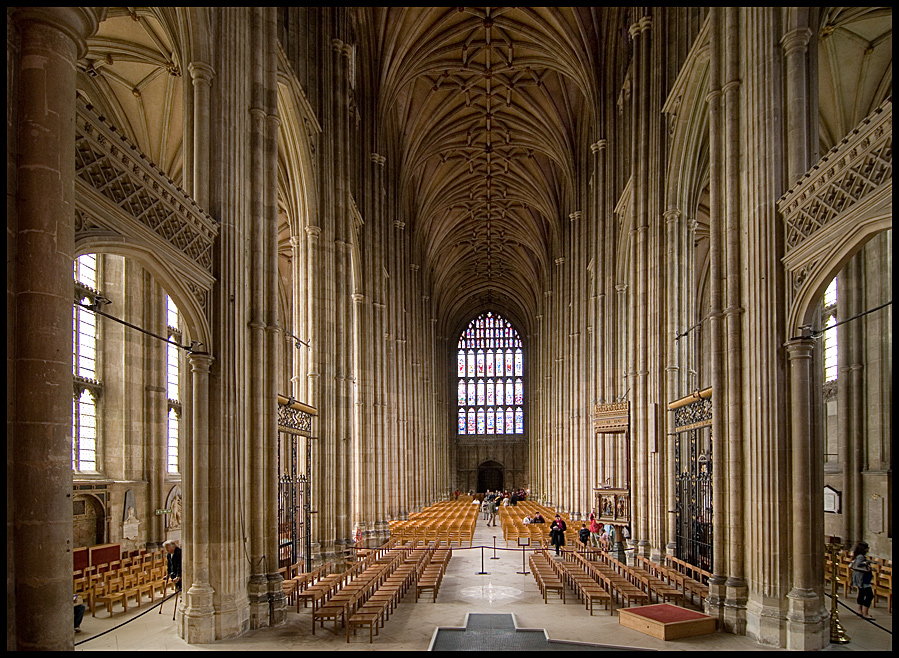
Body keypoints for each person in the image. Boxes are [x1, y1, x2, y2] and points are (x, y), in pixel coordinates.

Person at [850, 542, 875, 620]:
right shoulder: (860, 556)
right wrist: (868, 563)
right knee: (869, 595)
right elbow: (858, 565)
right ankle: (865, 613)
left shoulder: (858, 555)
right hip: (863, 578)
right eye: (867, 548)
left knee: (861, 594)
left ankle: (860, 610)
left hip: (862, 578)